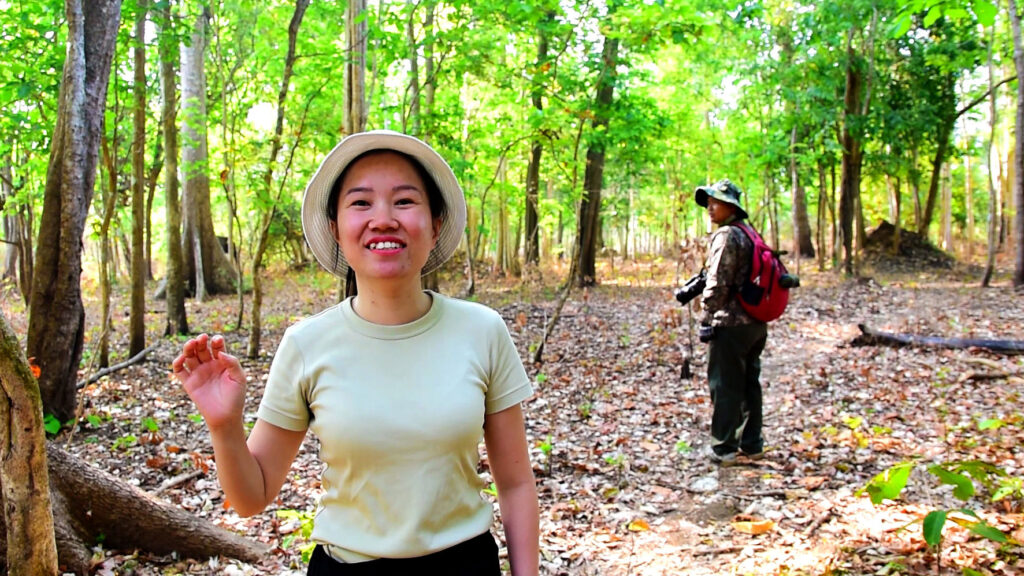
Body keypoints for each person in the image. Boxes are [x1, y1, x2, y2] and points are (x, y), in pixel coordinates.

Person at [172, 130, 539, 576]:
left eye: (404, 201)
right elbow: (252, 497)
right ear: (336, 229)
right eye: (361, 203)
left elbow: (517, 484)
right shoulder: (307, 344)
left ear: (436, 223)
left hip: (464, 565)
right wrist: (225, 425)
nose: (383, 219)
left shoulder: (482, 330)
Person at [694, 178, 768, 466]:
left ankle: (723, 447)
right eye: (709, 203)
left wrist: (706, 315)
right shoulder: (750, 233)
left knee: (724, 385)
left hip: (730, 324)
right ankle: (752, 444)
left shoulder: (726, 236)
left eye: (716, 202)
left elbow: (717, 283)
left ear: (731, 207)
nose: (710, 208)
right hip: (755, 322)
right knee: (750, 382)